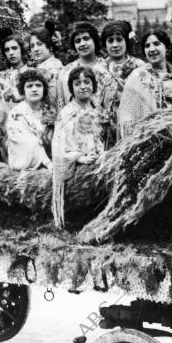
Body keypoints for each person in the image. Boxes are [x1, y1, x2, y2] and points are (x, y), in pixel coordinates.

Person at [52, 67, 107, 227]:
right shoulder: (66, 113)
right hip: (76, 163)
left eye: (87, 82)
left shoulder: (98, 110)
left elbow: (102, 137)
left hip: (97, 158)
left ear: (94, 86)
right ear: (71, 88)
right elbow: (59, 145)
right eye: (77, 83)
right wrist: (79, 157)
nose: (83, 86)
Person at [118, 29, 172, 138]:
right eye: (147, 46)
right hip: (148, 140)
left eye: (156, 44)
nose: (152, 49)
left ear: (166, 47)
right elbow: (126, 113)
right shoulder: (137, 77)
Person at [100, 20, 145, 146]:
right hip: (107, 127)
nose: (115, 45)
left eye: (119, 39)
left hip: (134, 124)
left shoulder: (140, 67)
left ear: (127, 41)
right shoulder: (100, 67)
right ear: (105, 44)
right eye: (110, 40)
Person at [6, 69, 54, 170]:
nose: (34, 89)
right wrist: (48, 163)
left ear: (43, 89)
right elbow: (27, 143)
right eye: (29, 86)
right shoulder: (16, 114)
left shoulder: (49, 110)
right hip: (27, 159)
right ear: (23, 90)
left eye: (38, 85)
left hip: (51, 157)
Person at [56, 22, 108, 110]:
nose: (82, 44)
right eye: (78, 41)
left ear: (94, 40)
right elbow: (61, 106)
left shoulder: (106, 67)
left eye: (86, 38)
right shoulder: (66, 72)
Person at [0, 33, 30, 119]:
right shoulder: (0, 76)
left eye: (14, 48)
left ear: (21, 49)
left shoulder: (32, 73)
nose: (11, 53)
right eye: (7, 50)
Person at [30, 22, 63, 107]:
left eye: (40, 44)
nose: (35, 49)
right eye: (32, 46)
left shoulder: (48, 67)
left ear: (50, 46)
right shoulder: (57, 63)